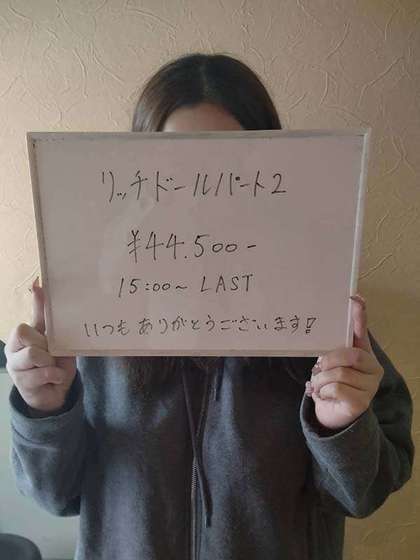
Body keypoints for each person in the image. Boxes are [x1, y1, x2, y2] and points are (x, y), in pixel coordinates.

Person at [5, 53, 414, 560]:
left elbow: (363, 495)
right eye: (175, 172)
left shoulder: (320, 307)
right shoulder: (94, 315)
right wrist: (44, 408)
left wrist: (342, 427)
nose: (201, 196)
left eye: (231, 172)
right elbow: (54, 497)